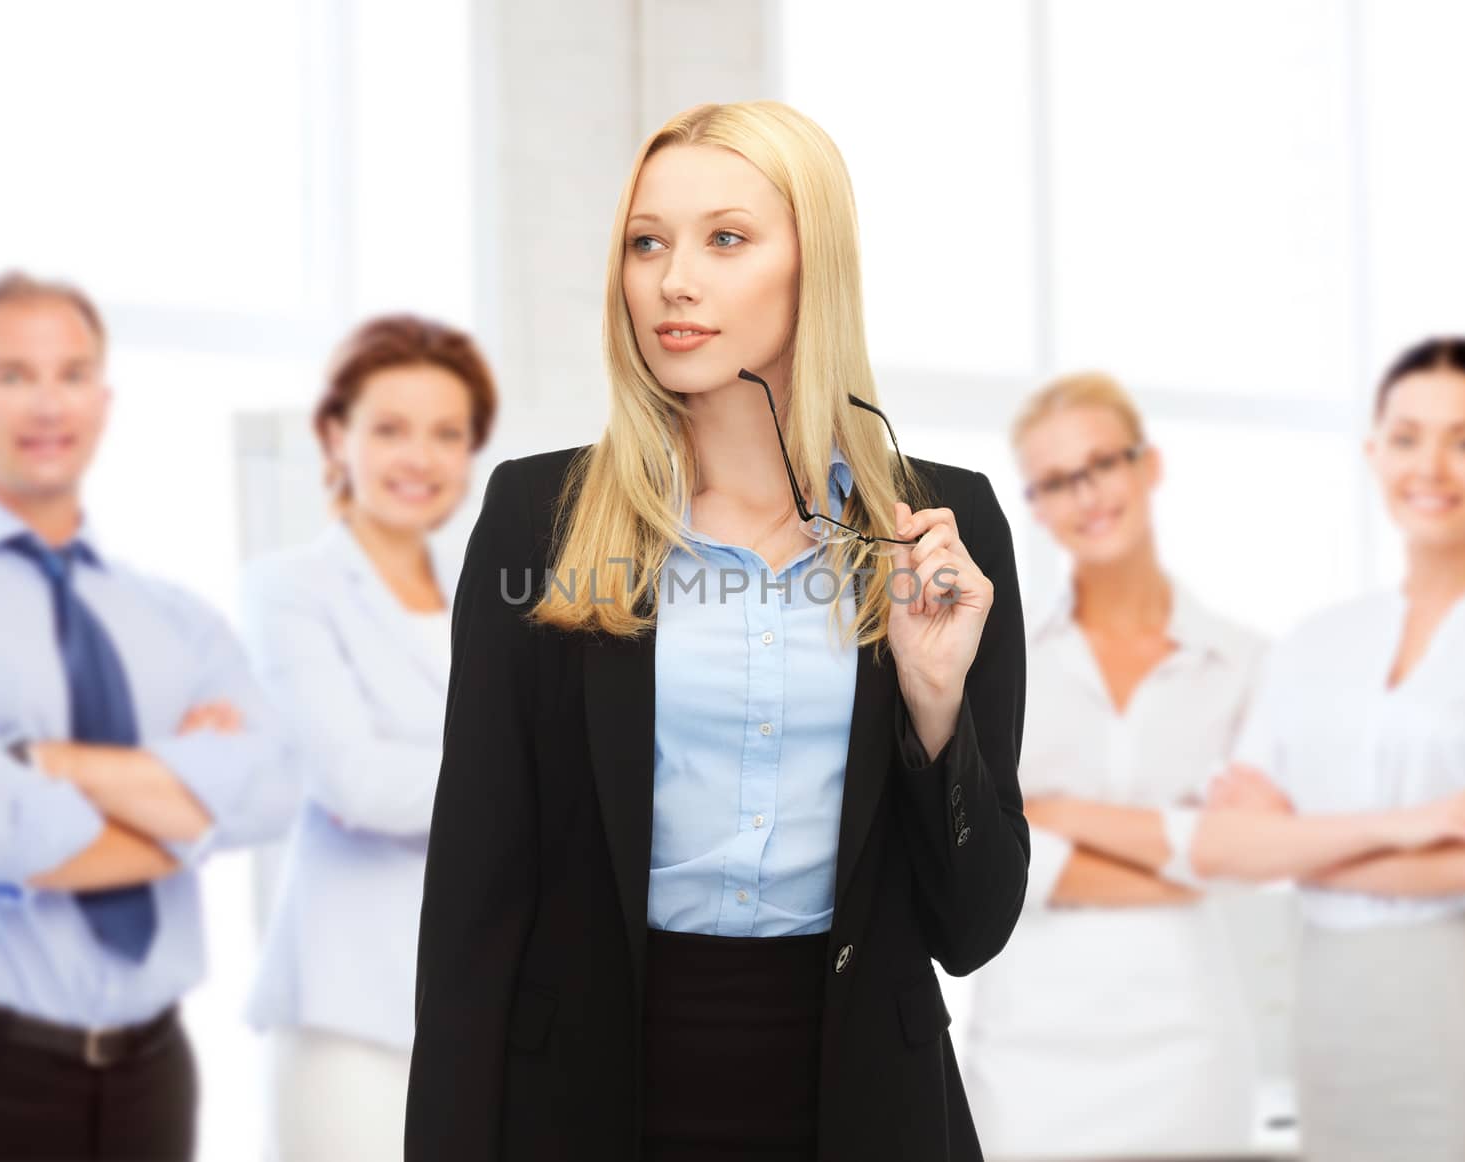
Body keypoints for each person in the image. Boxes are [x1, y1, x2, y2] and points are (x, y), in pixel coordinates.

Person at [404, 100, 1031, 1162]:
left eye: (724, 239)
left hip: (865, 1106)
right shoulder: (537, 517)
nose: (671, 279)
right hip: (588, 1101)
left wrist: (932, 708)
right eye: (646, 243)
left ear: (814, 264)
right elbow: (474, 898)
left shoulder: (940, 531)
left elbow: (969, 931)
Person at [0, 271, 296, 1162]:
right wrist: (186, 805)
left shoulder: (176, 618)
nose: (47, 400)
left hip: (155, 1074)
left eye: (71, 372)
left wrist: (52, 761)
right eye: (13, 374)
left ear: (103, 400)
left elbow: (275, 788)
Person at [1185, 337, 1465, 1160]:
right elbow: (1223, 845)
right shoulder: (1314, 643)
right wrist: (1416, 828)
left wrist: (1292, 843)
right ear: (1373, 452)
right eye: (1406, 437)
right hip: (1330, 1006)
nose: (1431, 466)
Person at [958, 372, 1261, 1158]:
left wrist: (1057, 820)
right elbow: (985, 846)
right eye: (1056, 481)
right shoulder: (1000, 657)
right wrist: (1186, 852)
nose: (1085, 495)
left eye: (1103, 464)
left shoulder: (1243, 663)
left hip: (1190, 1043)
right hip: (1029, 1050)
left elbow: (1255, 851)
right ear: (1035, 504)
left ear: (1147, 467)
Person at [242, 314, 497, 1161]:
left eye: (446, 434)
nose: (419, 459)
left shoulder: (489, 597)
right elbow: (354, 781)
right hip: (351, 1014)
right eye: (389, 430)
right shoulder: (291, 590)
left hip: (476, 1005)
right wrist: (524, 777)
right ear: (334, 436)